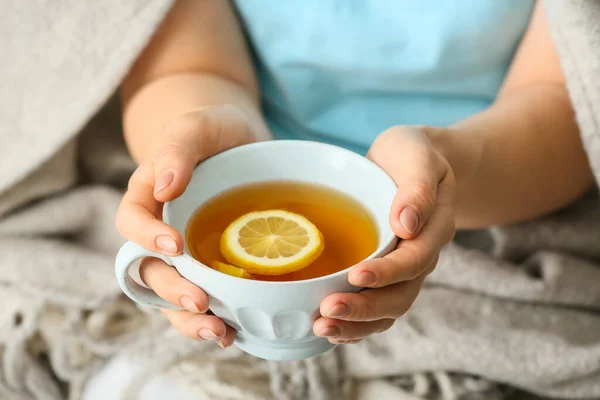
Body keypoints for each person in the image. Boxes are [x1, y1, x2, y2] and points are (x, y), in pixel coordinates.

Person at [114, 0, 593, 349]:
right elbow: (185, 67)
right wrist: (196, 149)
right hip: (255, 141)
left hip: (491, 184)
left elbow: (574, 103)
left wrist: (446, 168)